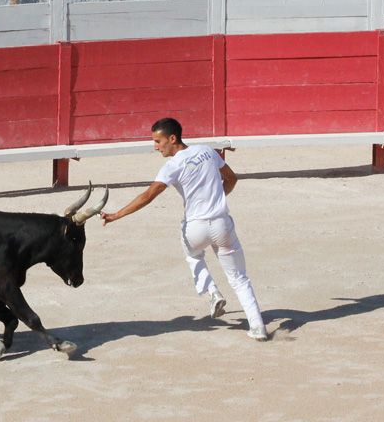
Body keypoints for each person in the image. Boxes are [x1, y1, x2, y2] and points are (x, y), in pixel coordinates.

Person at [100, 118, 270, 342]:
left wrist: (116, 215)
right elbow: (231, 178)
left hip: (196, 228)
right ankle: (258, 327)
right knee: (238, 277)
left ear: (173, 138)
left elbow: (148, 196)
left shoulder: (172, 166)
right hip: (221, 223)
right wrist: (217, 197)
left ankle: (212, 292)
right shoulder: (208, 152)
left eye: (158, 141)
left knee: (192, 255)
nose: (155, 146)